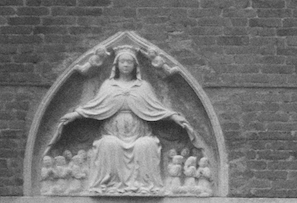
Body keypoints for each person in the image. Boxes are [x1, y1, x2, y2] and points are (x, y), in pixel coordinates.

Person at [45, 46, 205, 195]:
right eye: (123, 61)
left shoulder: (143, 86)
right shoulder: (108, 85)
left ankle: (146, 186)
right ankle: (109, 185)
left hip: (139, 134)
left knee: (147, 145)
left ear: (135, 65)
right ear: (117, 64)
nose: (126, 65)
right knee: (108, 144)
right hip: (113, 134)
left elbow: (156, 108)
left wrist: (173, 116)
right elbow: (95, 106)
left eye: (129, 62)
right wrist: (76, 115)